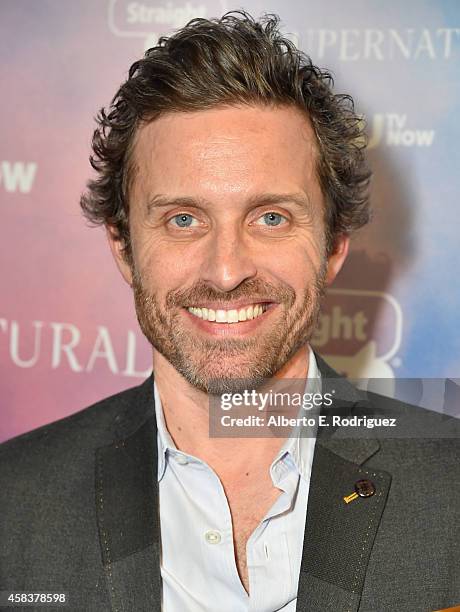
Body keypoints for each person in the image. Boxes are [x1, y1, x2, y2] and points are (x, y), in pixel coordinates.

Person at [1, 11, 459, 612]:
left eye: (271, 217)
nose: (226, 271)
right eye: (183, 220)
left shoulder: (449, 483)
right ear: (124, 249)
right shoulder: (15, 502)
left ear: (332, 248)